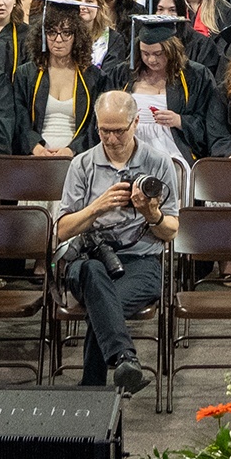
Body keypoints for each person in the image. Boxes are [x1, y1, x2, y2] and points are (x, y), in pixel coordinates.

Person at [53, 87, 187, 394]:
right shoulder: (83, 164)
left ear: (136, 123)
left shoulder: (158, 164)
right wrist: (97, 207)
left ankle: (94, 387)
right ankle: (125, 360)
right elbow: (61, 230)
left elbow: (171, 232)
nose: (111, 140)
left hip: (141, 260)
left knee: (102, 304)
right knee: (93, 276)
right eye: (104, 131)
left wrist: (151, 213)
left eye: (119, 131)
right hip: (88, 260)